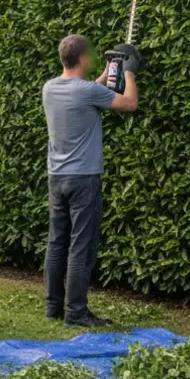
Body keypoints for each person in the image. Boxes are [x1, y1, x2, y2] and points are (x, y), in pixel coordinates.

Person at [41, 34, 139, 327]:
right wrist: (129, 70)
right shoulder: (85, 92)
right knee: (81, 245)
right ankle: (76, 313)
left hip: (57, 178)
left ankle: (53, 308)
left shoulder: (50, 88)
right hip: (84, 178)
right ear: (83, 58)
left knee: (57, 242)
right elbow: (129, 103)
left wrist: (111, 68)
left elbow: (88, 90)